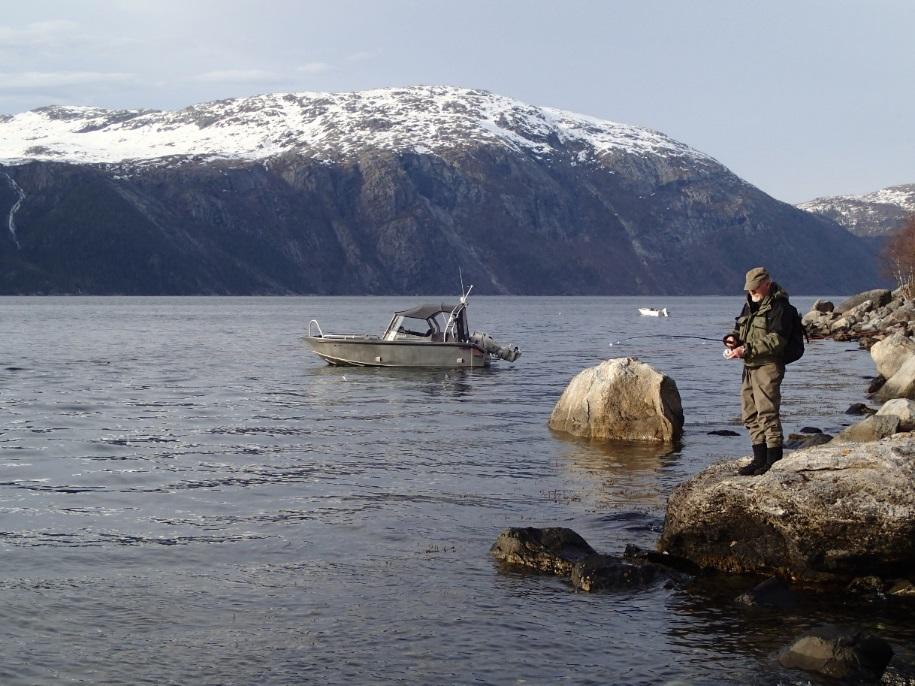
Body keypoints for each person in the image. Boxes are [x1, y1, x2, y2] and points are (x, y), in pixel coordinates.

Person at [723, 267, 794, 476]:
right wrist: (733, 340)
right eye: (750, 289)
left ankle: (772, 463)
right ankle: (758, 459)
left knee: (767, 413)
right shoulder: (749, 306)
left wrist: (746, 349)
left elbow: (777, 340)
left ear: (767, 284)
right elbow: (739, 330)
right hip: (749, 366)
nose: (752, 292)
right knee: (749, 413)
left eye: (755, 288)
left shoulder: (781, 308)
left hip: (768, 366)